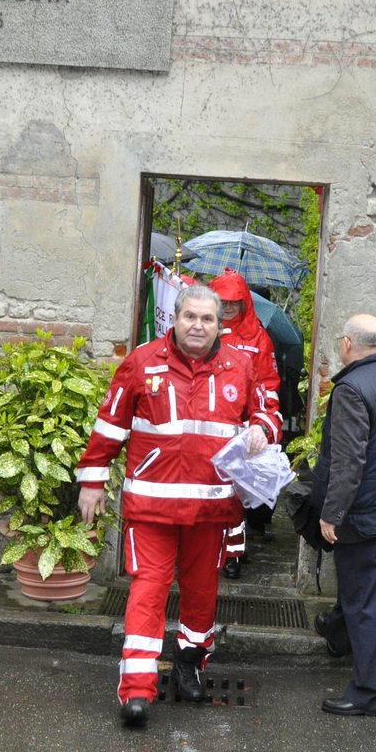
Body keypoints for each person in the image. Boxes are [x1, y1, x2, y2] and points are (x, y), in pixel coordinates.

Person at [76, 284, 280, 727]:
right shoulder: (142, 361)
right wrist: (92, 480)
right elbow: (110, 424)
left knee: (201, 594)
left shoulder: (241, 365)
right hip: (152, 507)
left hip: (211, 510)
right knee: (147, 593)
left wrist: (263, 429)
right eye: (191, 316)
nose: (198, 326)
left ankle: (190, 661)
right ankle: (136, 690)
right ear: (175, 317)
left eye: (208, 319)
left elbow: (268, 409)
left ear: (219, 324)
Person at [309, 314, 376, 717]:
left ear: (348, 344)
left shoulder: (351, 390)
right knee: (360, 589)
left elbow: (349, 461)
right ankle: (337, 631)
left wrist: (332, 513)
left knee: (365, 602)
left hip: (363, 512)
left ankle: (371, 693)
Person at [209, 269, 284, 578]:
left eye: (234, 302)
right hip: (204, 423)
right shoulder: (201, 329)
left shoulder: (258, 338)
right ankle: (204, 549)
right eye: (222, 301)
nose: (228, 308)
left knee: (233, 498)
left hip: (239, 427)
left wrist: (262, 426)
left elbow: (268, 388)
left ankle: (232, 554)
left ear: (244, 304)